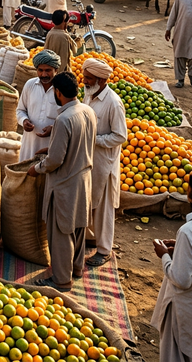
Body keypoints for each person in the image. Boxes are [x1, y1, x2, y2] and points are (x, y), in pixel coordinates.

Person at [28, 72, 97, 291]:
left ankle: (61, 279)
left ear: (58, 92)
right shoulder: (87, 110)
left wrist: (37, 168)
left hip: (65, 184)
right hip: (83, 179)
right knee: (77, 228)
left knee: (60, 234)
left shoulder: (64, 119)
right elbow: (80, 142)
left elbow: (56, 160)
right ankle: (76, 268)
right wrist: (51, 147)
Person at [81, 57, 128, 267]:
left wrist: (94, 140)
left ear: (101, 80)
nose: (85, 81)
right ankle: (92, 239)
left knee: (104, 208)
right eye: (84, 77)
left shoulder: (113, 103)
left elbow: (120, 136)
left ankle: (104, 250)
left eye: (89, 78)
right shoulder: (89, 94)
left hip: (104, 163)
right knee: (89, 202)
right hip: (88, 159)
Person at [151, 183, 192, 362]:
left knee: (175, 353)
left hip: (183, 307)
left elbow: (181, 280)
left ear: (189, 193)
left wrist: (165, 256)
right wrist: (181, 248)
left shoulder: (187, 232)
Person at [16, 49, 60, 162]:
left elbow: (70, 118)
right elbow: (20, 110)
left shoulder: (62, 89)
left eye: (48, 70)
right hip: (29, 144)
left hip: (51, 146)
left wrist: (55, 129)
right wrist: (24, 121)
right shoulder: (30, 85)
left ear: (56, 70)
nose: (44, 74)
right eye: (40, 70)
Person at [165, 0, 192, 88]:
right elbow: (173, 13)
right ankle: (180, 79)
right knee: (179, 54)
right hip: (181, 31)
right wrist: (168, 28)